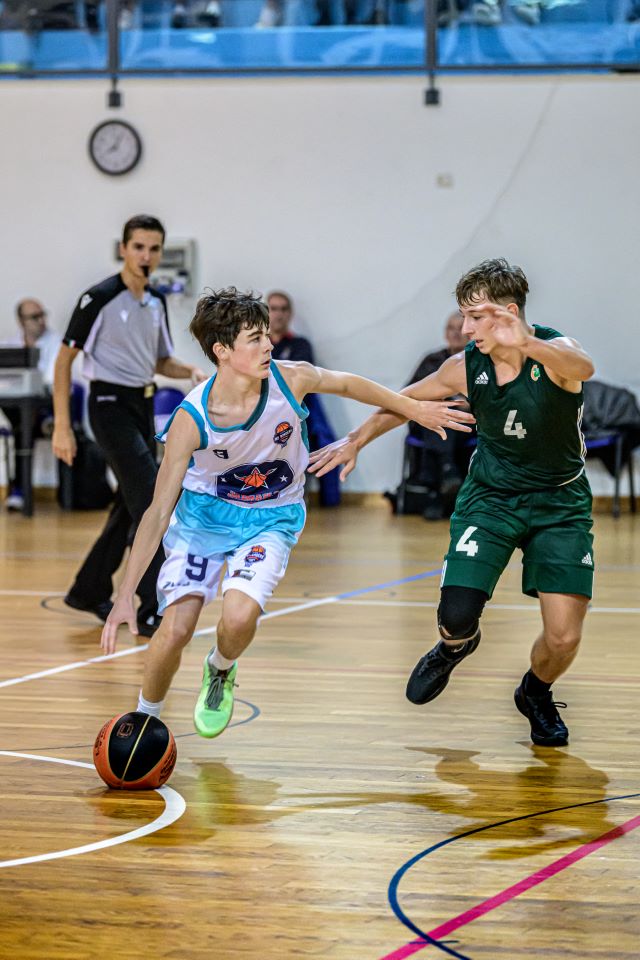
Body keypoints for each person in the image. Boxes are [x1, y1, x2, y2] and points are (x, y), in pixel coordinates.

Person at [100, 287, 474, 739]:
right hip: (203, 520)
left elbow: (349, 383)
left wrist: (412, 407)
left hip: (271, 517)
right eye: (255, 339)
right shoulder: (192, 418)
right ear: (221, 351)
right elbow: (159, 511)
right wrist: (125, 593)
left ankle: (221, 668)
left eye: (266, 335)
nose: (268, 345)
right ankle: (145, 721)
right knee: (176, 628)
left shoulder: (290, 378)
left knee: (239, 618)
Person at [309, 258, 595, 748]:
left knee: (564, 637)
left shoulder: (554, 353)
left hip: (560, 503)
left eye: (475, 316)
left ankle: (535, 692)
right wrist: (355, 440)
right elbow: (401, 402)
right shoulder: (463, 367)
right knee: (456, 617)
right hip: (490, 499)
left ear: (509, 314)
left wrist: (526, 343)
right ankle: (454, 646)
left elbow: (583, 367)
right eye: (463, 316)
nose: (465, 328)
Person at [52, 214, 206, 636]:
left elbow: (159, 361)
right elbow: (63, 361)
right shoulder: (99, 298)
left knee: (128, 504)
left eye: (154, 249)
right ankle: (154, 607)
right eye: (138, 247)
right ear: (123, 249)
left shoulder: (155, 301)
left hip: (142, 405)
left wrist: (190, 370)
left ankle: (88, 590)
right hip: (108, 406)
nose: (146, 256)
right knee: (153, 499)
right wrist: (62, 426)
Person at [399, 310, 472, 520]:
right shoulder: (432, 360)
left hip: (465, 425)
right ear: (445, 333)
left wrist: (471, 405)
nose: (455, 333)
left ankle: (434, 495)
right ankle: (448, 472)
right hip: (428, 423)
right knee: (436, 416)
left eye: (459, 329)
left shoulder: (476, 361)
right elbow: (407, 393)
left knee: (445, 417)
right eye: (450, 328)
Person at [2, 298, 61, 511]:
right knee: (21, 420)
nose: (41, 320)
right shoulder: (9, 346)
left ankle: (20, 490)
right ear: (21, 321)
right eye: (35, 317)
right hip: (18, 407)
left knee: (24, 424)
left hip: (47, 402)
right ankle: (44, 423)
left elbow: (50, 379)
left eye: (42, 315)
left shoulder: (56, 342)